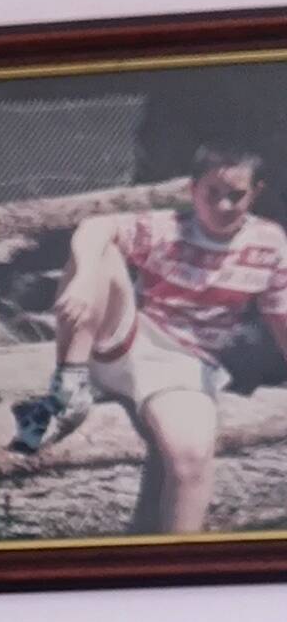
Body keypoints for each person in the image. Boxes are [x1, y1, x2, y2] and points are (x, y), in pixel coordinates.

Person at [16, 141, 287, 532]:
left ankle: (179, 570)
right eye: (213, 193)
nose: (224, 205)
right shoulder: (168, 227)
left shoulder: (270, 243)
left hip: (185, 367)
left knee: (191, 457)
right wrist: (86, 277)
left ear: (255, 192)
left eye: (236, 195)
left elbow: (281, 317)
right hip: (125, 341)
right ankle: (68, 389)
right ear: (193, 189)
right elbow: (96, 226)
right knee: (102, 252)